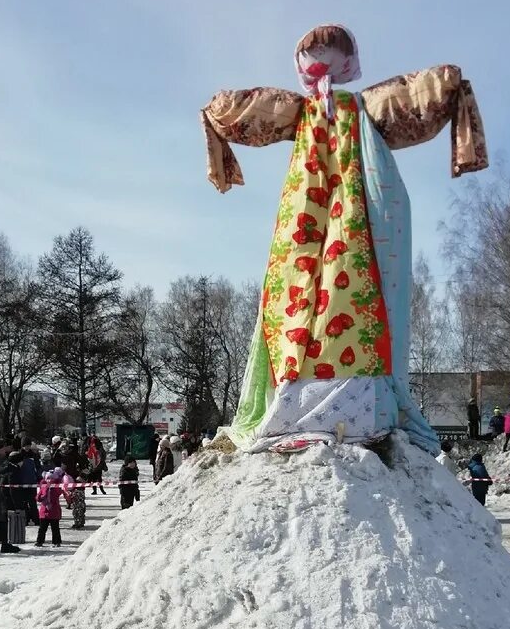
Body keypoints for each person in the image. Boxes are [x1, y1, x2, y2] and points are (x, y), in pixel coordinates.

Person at [202, 24, 487, 451]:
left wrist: (448, 86)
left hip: (350, 209)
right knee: (306, 289)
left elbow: (406, 98)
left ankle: (326, 400)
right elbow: (407, 98)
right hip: (306, 215)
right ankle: (320, 399)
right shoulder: (310, 111)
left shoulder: (349, 108)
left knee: (346, 283)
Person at [35, 469, 64, 547]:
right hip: (44, 512)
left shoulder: (57, 488)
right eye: (47, 478)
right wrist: (41, 497)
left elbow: (59, 493)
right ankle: (39, 541)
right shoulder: (43, 487)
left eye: (51, 478)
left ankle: (56, 541)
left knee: (55, 529)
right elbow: (37, 498)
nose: (49, 480)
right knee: (42, 529)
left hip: (54, 511)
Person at [20, 438, 42, 525]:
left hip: (32, 481)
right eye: (25, 446)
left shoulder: (33, 455)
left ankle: (35, 519)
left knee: (33, 501)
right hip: (22, 481)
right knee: (24, 502)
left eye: (28, 445)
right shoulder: (19, 455)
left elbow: (38, 467)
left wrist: (39, 478)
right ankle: (26, 519)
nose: (27, 447)